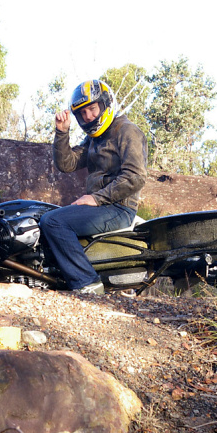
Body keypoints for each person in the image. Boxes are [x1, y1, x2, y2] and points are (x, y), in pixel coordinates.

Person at [39, 79, 148, 294]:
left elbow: (136, 177)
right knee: (43, 216)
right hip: (104, 207)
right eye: (82, 113)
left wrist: (97, 198)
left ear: (105, 104)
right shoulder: (93, 140)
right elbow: (67, 164)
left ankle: (87, 283)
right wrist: (62, 132)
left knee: (53, 222)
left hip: (119, 207)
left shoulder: (127, 131)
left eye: (92, 108)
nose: (88, 116)